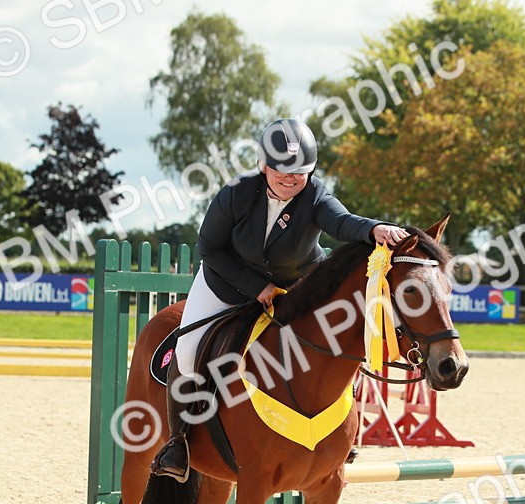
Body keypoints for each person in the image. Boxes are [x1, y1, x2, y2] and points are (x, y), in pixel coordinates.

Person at [151, 118, 409, 481]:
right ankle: (178, 443)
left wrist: (373, 229)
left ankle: (341, 430)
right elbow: (210, 249)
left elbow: (341, 221)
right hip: (226, 283)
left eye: (299, 173)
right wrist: (256, 287)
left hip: (296, 286)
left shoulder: (315, 194)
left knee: (340, 335)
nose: (290, 179)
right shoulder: (235, 194)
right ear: (263, 165)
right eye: (281, 172)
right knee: (190, 350)